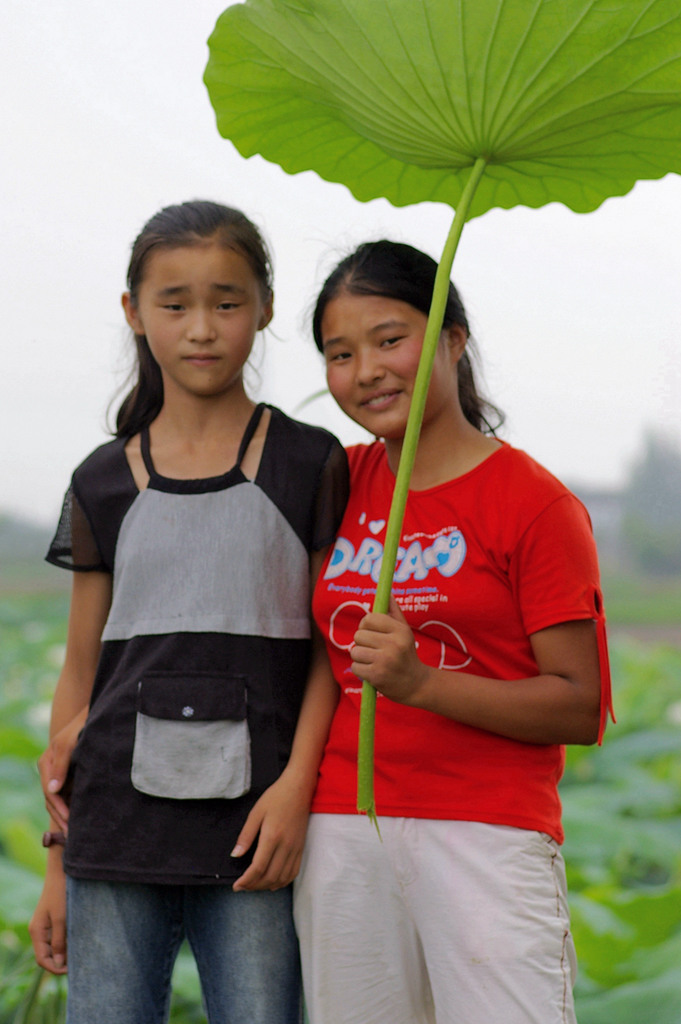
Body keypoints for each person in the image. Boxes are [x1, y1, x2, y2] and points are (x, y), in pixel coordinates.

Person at [29, 200, 348, 1024]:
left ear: (266, 309)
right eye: (174, 305)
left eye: (226, 302)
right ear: (134, 313)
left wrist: (295, 788)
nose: (201, 328)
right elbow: (81, 670)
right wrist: (59, 861)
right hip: (113, 834)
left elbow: (329, 651)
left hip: (257, 834)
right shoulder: (101, 479)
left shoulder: (309, 461)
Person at [293, 240, 613, 1024]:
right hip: (341, 824)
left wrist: (421, 684)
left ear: (452, 340)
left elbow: (579, 706)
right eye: (339, 353)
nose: (365, 369)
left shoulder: (533, 503)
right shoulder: (337, 481)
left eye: (389, 339)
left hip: (487, 830)